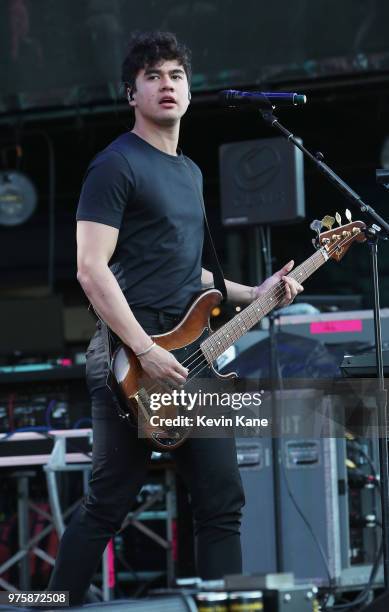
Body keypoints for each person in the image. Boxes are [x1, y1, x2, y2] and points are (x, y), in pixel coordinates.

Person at [48, 31, 303, 605]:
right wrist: (144, 349)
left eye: (177, 76)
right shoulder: (114, 165)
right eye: (154, 76)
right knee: (108, 505)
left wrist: (256, 292)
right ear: (131, 93)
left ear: (189, 91)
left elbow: (194, 278)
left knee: (222, 501)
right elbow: (92, 270)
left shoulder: (188, 172)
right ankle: (49, 605)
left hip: (193, 355)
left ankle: (225, 606)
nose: (167, 85)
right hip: (131, 357)